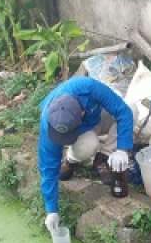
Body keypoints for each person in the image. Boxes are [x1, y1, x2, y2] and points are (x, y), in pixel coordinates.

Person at [38, 76, 134, 234]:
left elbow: (124, 112)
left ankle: (104, 157)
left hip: (97, 116)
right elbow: (48, 167)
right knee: (88, 145)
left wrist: (122, 149)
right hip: (84, 132)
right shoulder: (48, 122)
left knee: (132, 110)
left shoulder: (89, 87)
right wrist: (51, 210)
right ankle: (71, 160)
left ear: (81, 113)